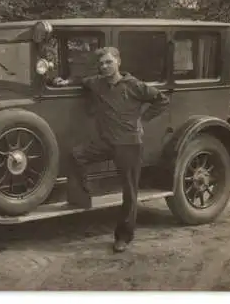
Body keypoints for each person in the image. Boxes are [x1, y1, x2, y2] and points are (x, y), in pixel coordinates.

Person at [52, 47, 170, 253]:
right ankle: (85, 194)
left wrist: (142, 119)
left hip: (129, 144)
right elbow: (82, 80)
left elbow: (162, 100)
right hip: (106, 143)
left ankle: (123, 236)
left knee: (130, 192)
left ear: (118, 62)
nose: (105, 66)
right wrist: (66, 82)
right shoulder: (98, 83)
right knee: (76, 155)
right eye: (101, 64)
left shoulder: (134, 85)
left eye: (109, 62)